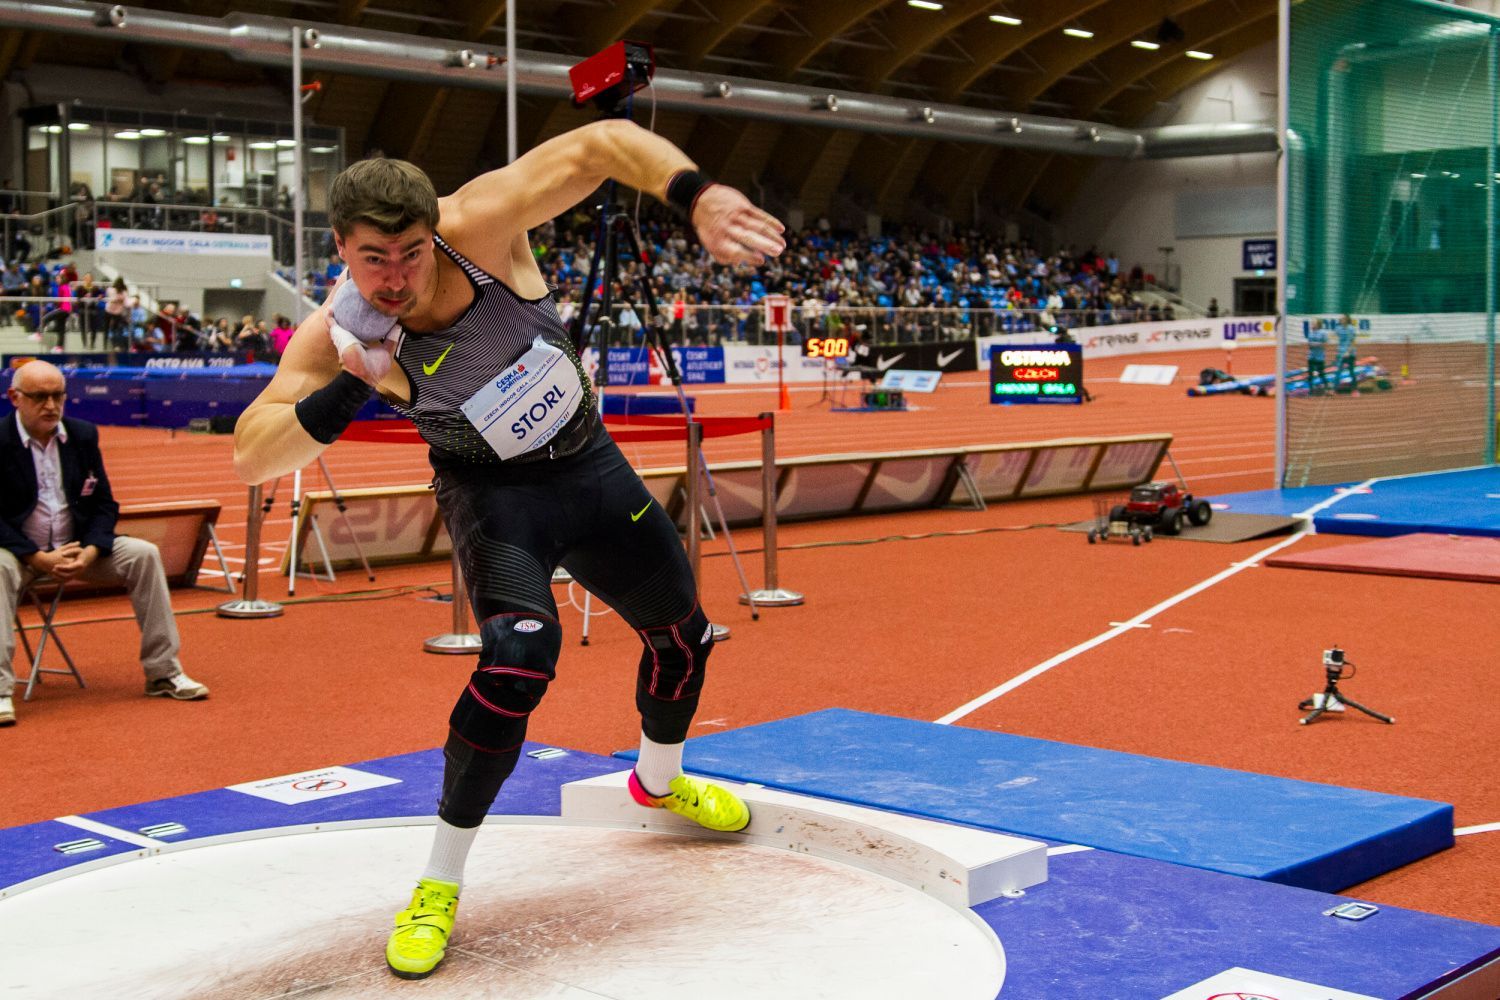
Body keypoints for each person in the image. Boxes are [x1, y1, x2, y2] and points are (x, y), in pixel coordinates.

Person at [231, 119, 785, 981]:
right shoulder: (333, 335)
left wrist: (696, 194)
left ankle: (658, 780)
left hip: (589, 465)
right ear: (340, 247)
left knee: (684, 637)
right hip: (493, 498)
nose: (396, 280)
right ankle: (437, 887)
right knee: (519, 659)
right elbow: (253, 450)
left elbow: (601, 143)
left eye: (412, 253)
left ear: (435, 229)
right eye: (373, 259)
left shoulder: (484, 222)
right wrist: (349, 385)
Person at [1, 361, 209, 726]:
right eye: (39, 397)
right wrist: (37, 557)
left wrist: (91, 552)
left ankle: (163, 672)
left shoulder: (82, 435)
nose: (50, 405)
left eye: (57, 396)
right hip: (20, 554)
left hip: (79, 549)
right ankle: (1, 691)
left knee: (144, 554)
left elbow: (104, 504)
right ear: (14, 398)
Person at [1335, 314, 1359, 393]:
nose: (1341, 320)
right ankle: (1334, 390)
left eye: (1342, 319)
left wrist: (1348, 352)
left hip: (1350, 353)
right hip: (1341, 353)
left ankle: (1355, 390)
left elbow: (1353, 342)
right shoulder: (1338, 329)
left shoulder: (1351, 329)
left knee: (1351, 371)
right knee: (1338, 371)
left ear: (1346, 320)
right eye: (1340, 319)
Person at [1304, 319, 1329, 393]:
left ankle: (1328, 388)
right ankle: (1311, 390)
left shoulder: (1323, 333)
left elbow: (1325, 344)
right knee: (1310, 374)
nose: (1312, 325)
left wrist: (1317, 344)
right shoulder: (1310, 333)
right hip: (1311, 356)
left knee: (1321, 374)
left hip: (1320, 357)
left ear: (1318, 324)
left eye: (1314, 323)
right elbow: (1309, 344)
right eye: (1312, 323)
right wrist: (1312, 345)